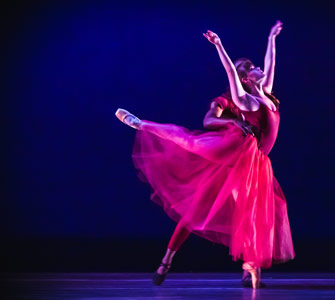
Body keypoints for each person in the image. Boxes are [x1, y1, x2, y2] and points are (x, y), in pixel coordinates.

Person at [115, 20, 294, 289]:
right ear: (246, 79)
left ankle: (250, 270)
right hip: (240, 157)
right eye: (252, 69)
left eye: (257, 67)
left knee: (258, 213)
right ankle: (142, 124)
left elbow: (271, 65)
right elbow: (230, 75)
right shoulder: (245, 101)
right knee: (191, 163)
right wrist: (219, 45)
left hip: (258, 163)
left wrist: (272, 38)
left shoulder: (266, 93)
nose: (259, 68)